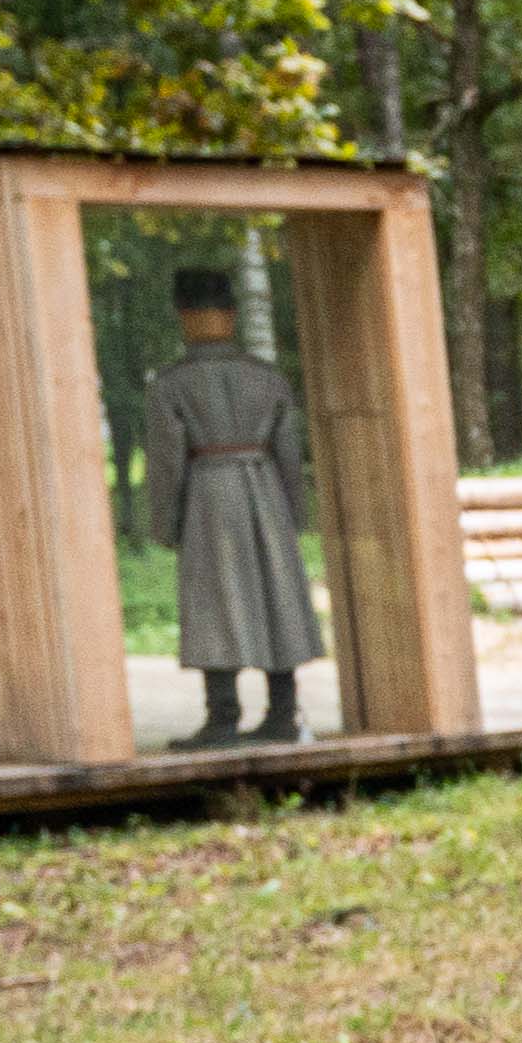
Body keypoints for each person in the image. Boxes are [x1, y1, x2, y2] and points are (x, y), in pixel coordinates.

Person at [143, 270, 324, 746]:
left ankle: (223, 718)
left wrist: (167, 521)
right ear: (233, 315)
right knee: (274, 596)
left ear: (183, 317)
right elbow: (289, 451)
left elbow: (166, 463)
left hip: (208, 496)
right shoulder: (266, 378)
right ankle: (282, 713)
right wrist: (292, 511)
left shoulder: (172, 383)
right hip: (264, 492)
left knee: (213, 600)